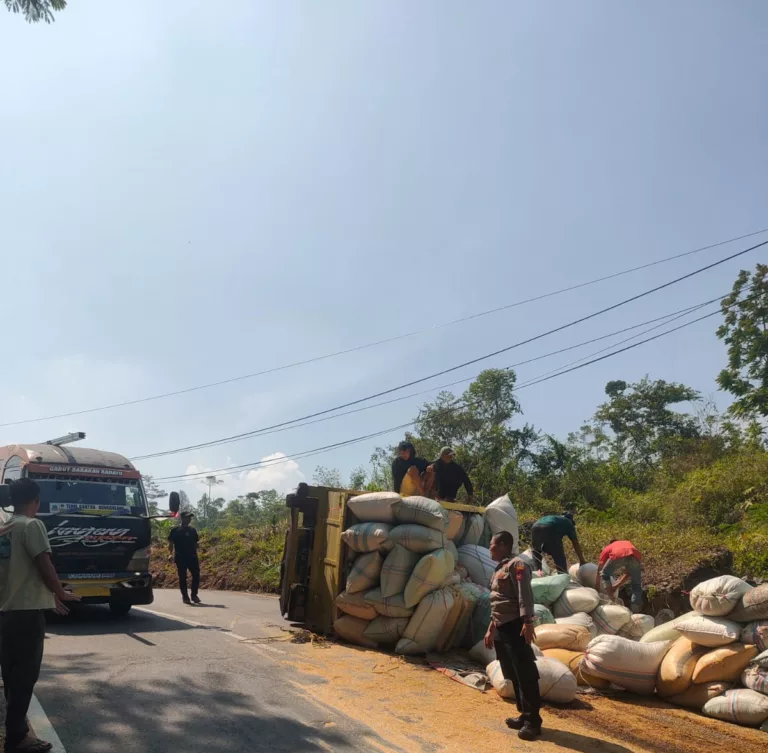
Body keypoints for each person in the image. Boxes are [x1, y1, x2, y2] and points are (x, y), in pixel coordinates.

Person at [0, 478, 80, 753]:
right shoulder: (31, 525)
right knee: (24, 676)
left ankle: (15, 731)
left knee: (10, 675)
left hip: (5, 612)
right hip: (25, 616)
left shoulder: (4, 528)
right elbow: (43, 565)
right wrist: (60, 591)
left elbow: (18, 574)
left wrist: (49, 597)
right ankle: (17, 738)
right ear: (36, 500)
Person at [485, 530, 542, 741]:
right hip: (502, 626)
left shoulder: (518, 566)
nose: (489, 549)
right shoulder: (501, 567)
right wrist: (491, 629)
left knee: (525, 672)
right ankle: (523, 713)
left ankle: (533, 722)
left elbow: (524, 595)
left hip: (515, 626)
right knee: (513, 671)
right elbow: (499, 601)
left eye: (492, 545)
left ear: (502, 545)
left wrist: (528, 622)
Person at [596, 539, 643, 613]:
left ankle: (611, 600)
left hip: (618, 554)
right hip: (635, 556)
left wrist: (597, 587)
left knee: (604, 574)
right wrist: (616, 586)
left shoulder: (608, 547)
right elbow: (628, 574)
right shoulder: (627, 542)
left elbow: (600, 569)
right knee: (636, 585)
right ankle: (635, 611)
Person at [168, 511, 201, 605]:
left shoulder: (193, 530)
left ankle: (194, 595)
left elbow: (196, 543)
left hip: (192, 557)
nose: (189, 519)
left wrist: (197, 546)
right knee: (182, 577)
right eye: (187, 517)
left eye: (190, 517)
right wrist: (170, 554)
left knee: (196, 575)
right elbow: (171, 544)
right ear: (182, 518)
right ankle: (185, 597)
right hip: (180, 557)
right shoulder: (175, 530)